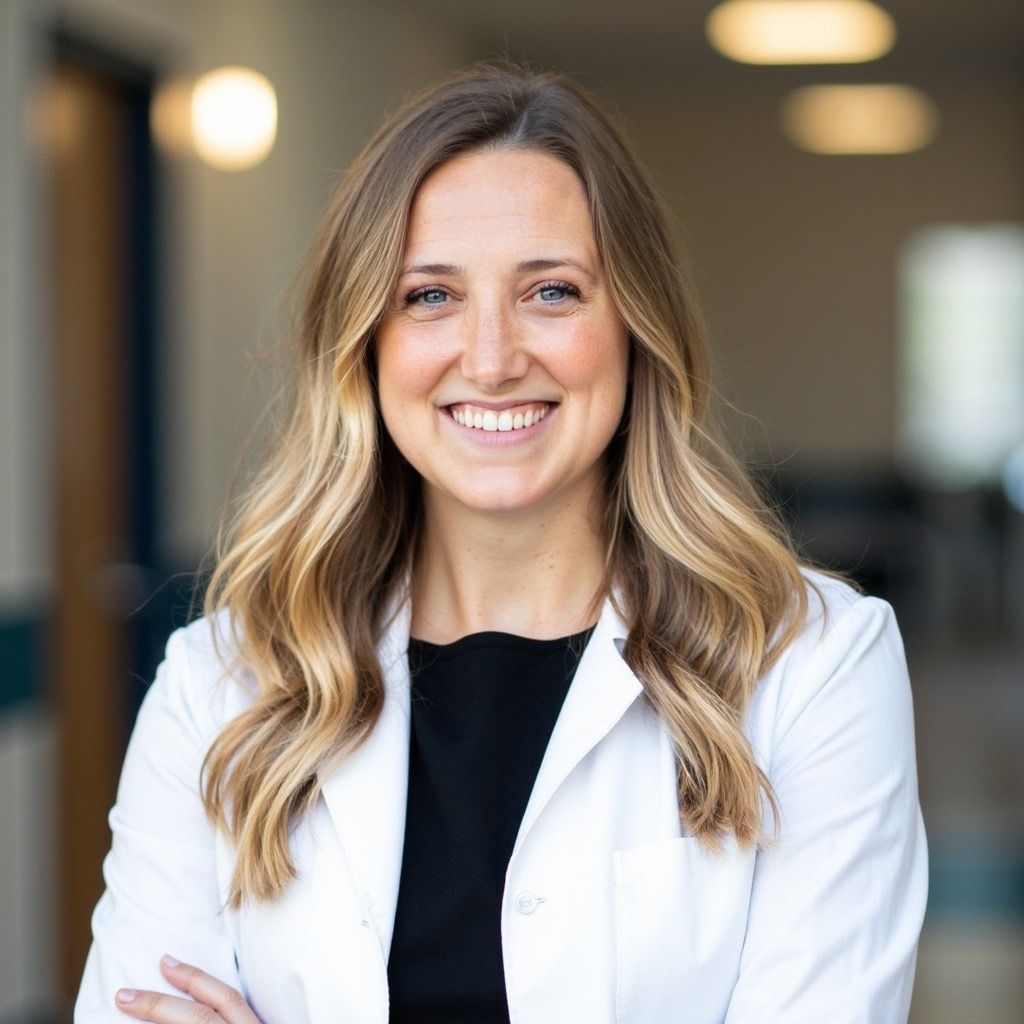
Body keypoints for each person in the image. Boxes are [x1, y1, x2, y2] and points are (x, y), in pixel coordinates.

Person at [75, 63, 928, 1024]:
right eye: (430, 297)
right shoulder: (221, 687)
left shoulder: (813, 668)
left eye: (552, 292)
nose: (489, 357)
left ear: (638, 328)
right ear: (366, 342)